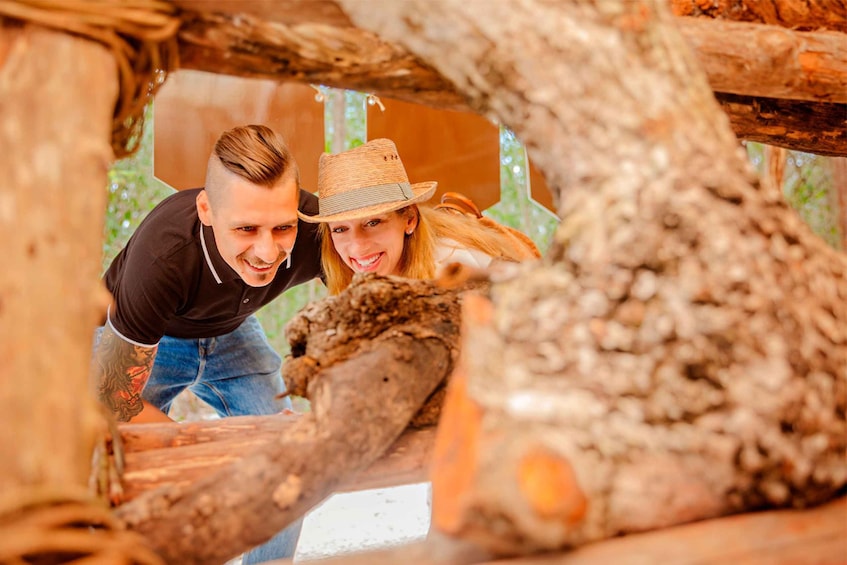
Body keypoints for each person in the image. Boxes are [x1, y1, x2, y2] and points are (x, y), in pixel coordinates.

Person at [90, 124, 321, 562]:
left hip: (233, 332)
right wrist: (212, 461)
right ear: (206, 209)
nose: (268, 252)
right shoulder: (163, 256)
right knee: (121, 468)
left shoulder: (315, 226)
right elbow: (112, 404)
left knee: (289, 465)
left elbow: (372, 276)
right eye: (247, 228)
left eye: (283, 228)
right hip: (146, 343)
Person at [298, 137, 539, 295]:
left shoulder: (451, 268)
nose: (358, 247)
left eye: (373, 222)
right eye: (340, 229)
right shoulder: (346, 274)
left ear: (409, 219)